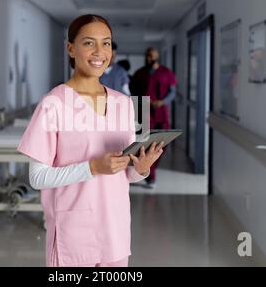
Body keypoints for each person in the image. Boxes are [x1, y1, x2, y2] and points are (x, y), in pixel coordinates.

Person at [17, 14, 165, 267]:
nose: (99, 52)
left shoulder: (124, 104)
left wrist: (141, 169)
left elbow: (126, 172)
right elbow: (37, 177)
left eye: (106, 43)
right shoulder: (54, 104)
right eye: (89, 43)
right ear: (71, 48)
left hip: (115, 231)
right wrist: (93, 167)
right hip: (72, 234)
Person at [129, 47, 177, 189]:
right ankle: (150, 175)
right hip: (144, 111)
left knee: (162, 144)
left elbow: (172, 92)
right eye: (147, 56)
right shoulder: (139, 73)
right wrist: (146, 100)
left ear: (157, 57)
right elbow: (133, 90)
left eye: (151, 56)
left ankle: (150, 168)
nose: (149, 58)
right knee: (144, 144)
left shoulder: (166, 73)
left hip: (161, 112)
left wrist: (162, 101)